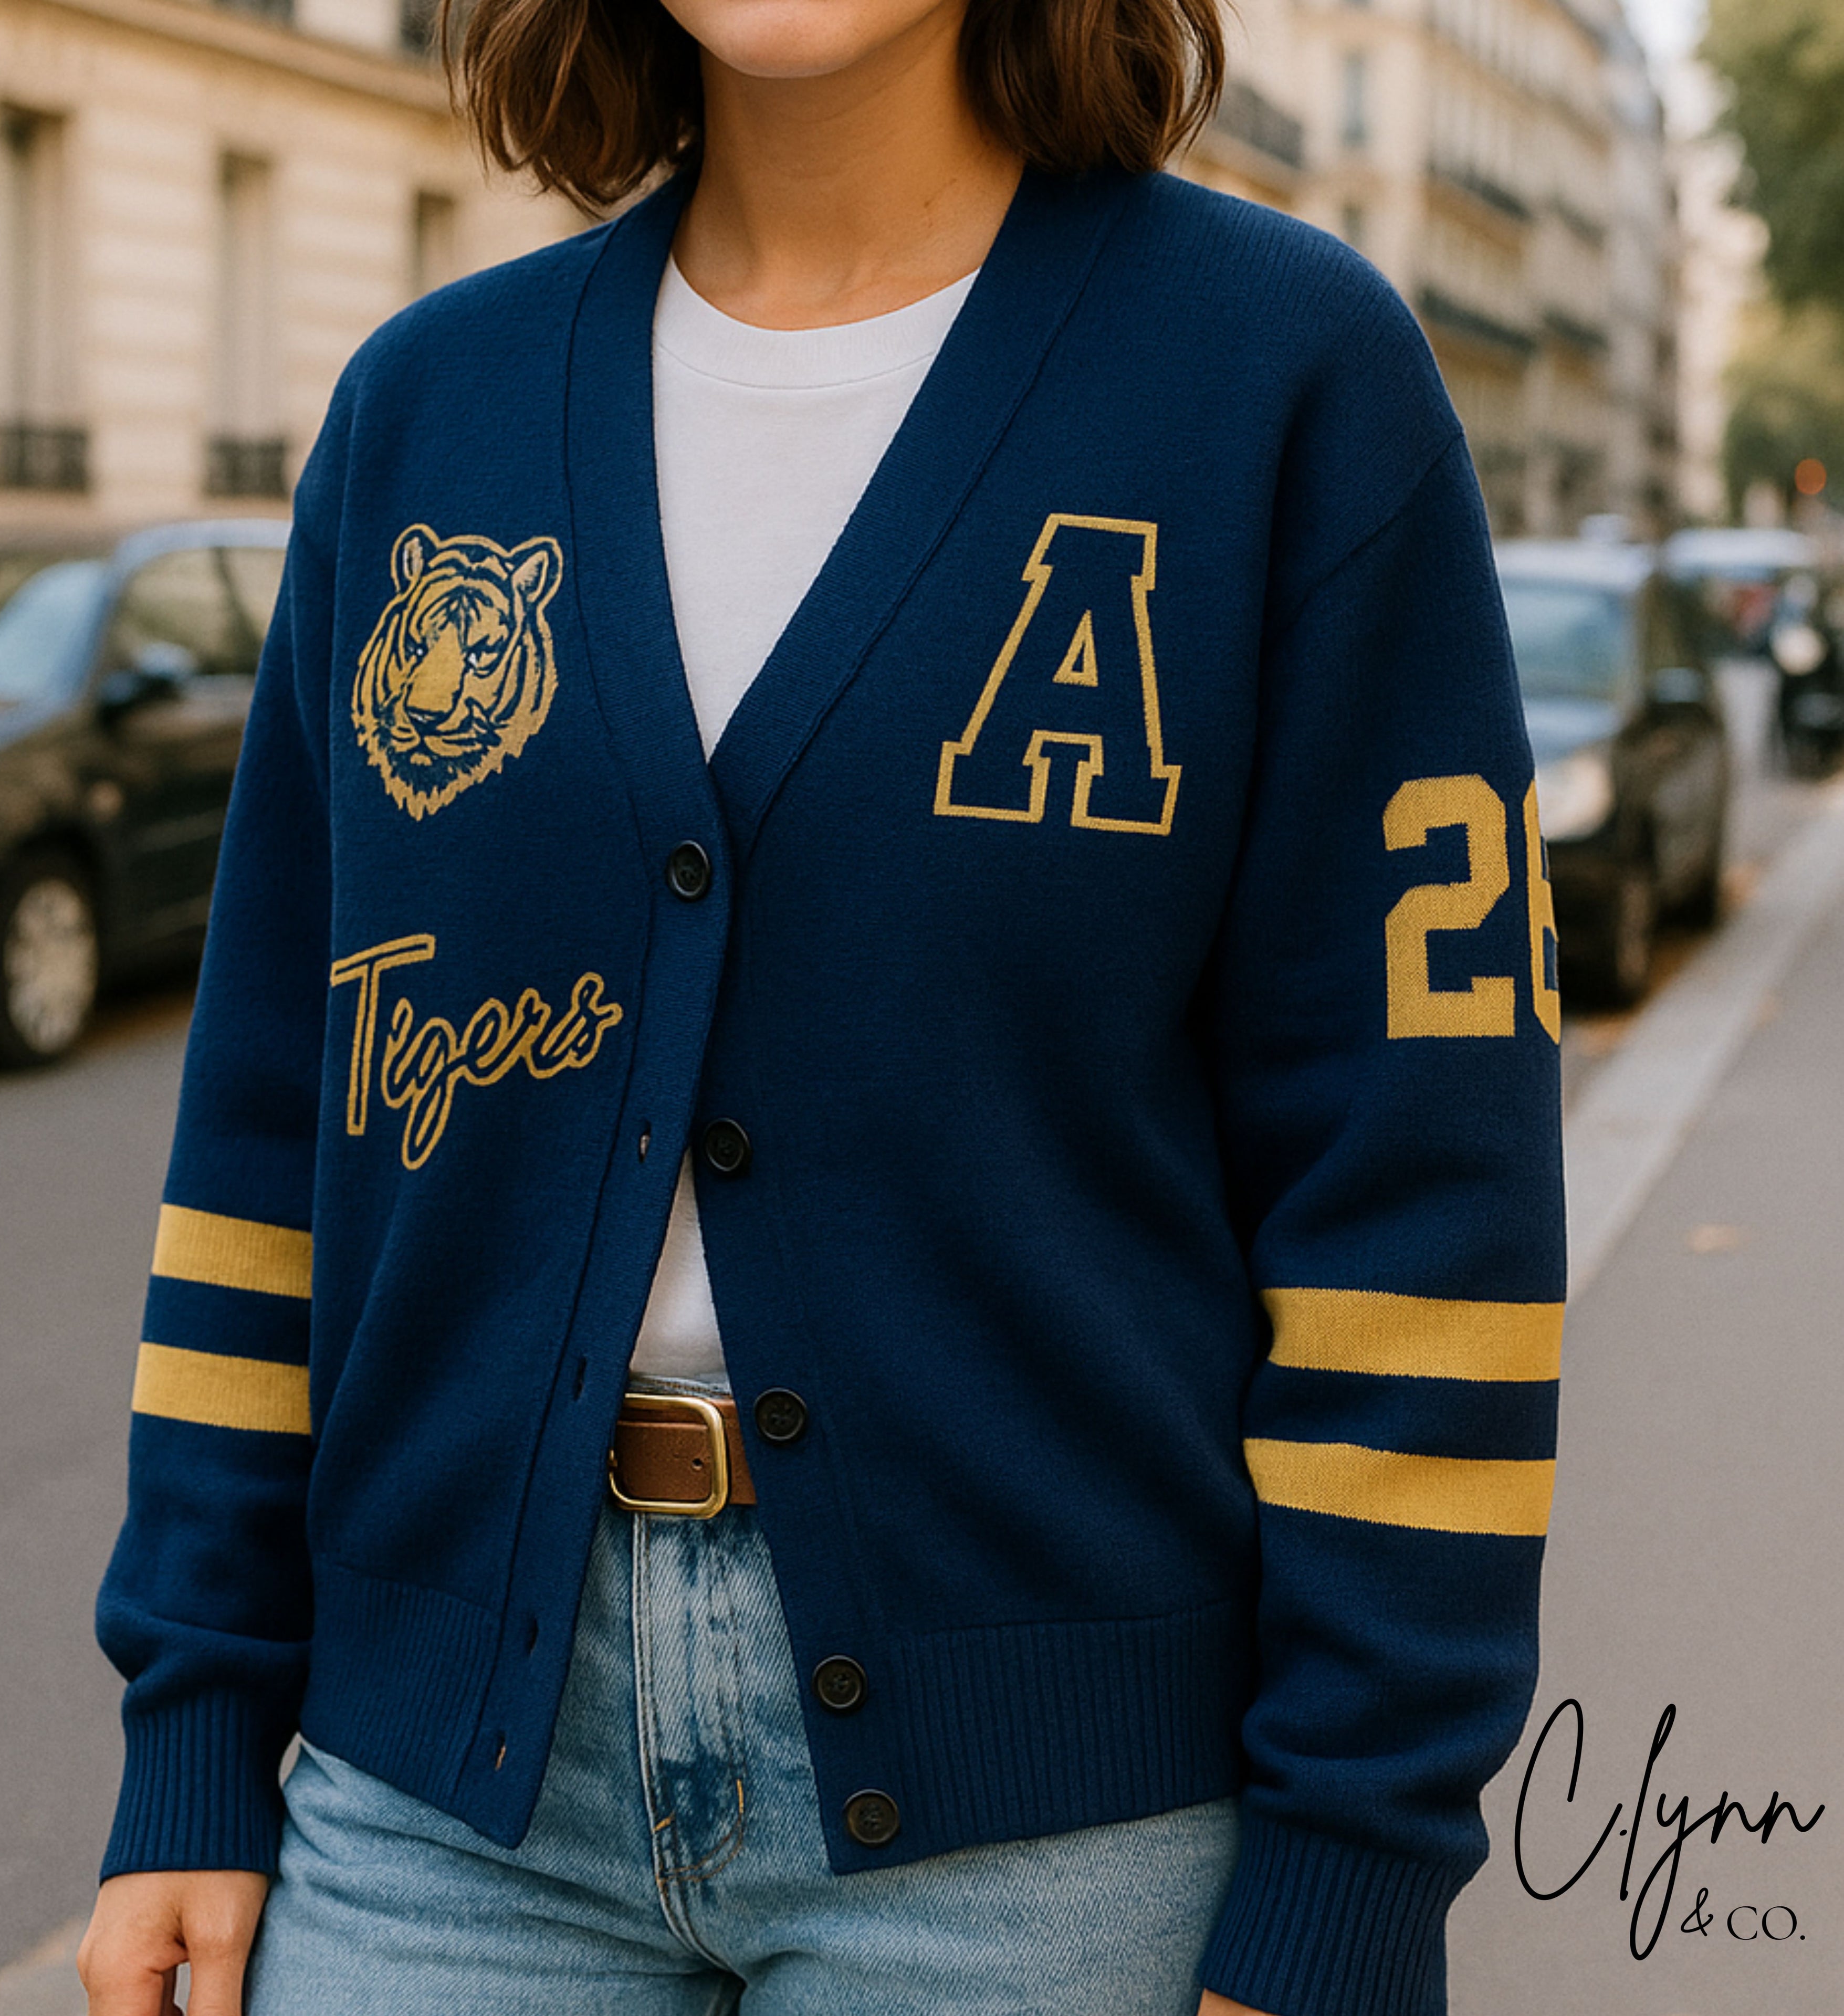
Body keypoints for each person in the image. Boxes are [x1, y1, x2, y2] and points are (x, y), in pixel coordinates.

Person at [79, 0, 1567, 2010]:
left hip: (1051, 1841)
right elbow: (273, 1130)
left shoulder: (1283, 380)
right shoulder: (431, 409)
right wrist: (193, 1733)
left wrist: (1354, 1866)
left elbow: (1423, 1190)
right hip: (442, 1816)